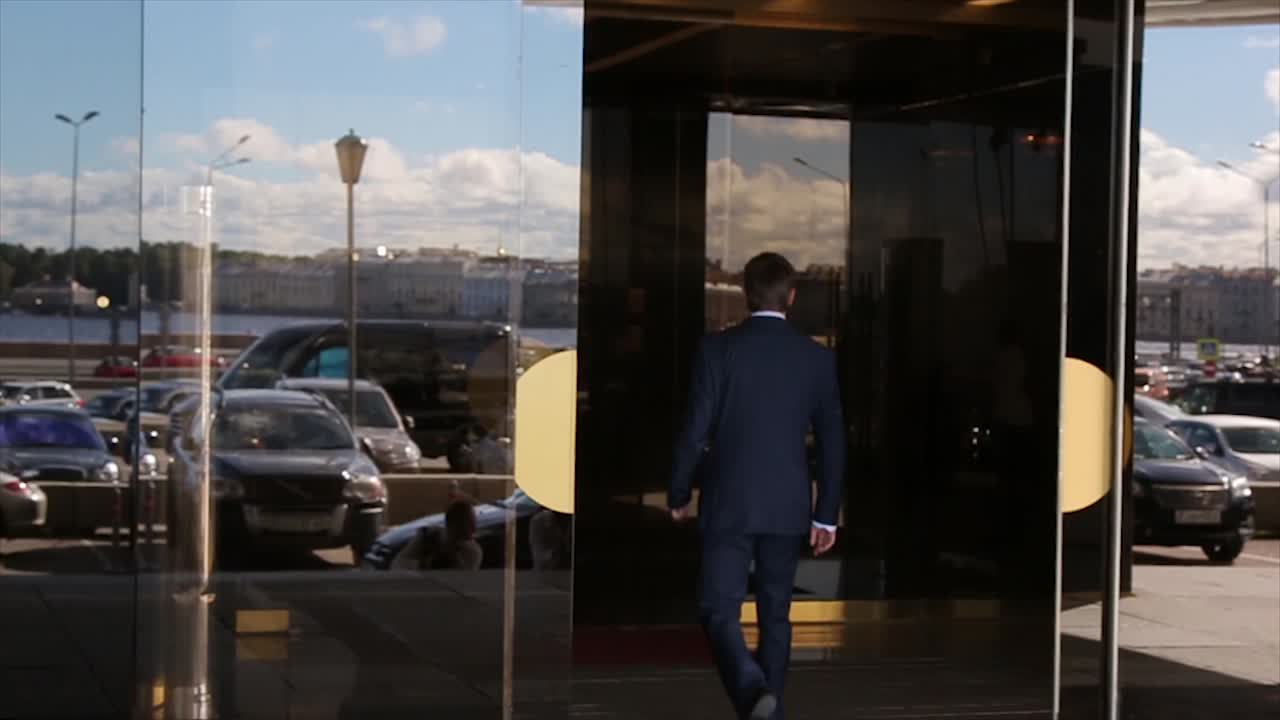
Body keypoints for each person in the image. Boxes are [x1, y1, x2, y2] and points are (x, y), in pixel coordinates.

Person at [669, 252, 845, 720]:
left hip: (728, 502)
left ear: (746, 295)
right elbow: (832, 440)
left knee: (718, 610)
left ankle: (750, 690)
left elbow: (693, 431)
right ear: (791, 297)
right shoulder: (816, 359)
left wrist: (679, 491)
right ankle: (771, 709)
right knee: (776, 615)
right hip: (788, 505)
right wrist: (826, 511)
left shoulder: (715, 351)